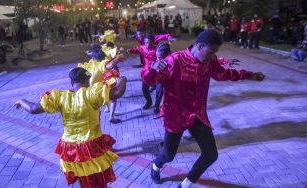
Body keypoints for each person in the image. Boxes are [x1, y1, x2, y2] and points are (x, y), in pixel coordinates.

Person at [141, 29, 265, 187]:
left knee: (211, 154)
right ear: (199, 46)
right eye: (212, 51)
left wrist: (249, 75)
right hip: (176, 116)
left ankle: (185, 184)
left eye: (216, 52)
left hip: (197, 115)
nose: (213, 55)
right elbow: (150, 81)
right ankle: (155, 166)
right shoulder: (175, 60)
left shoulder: (210, 61)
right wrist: (152, 67)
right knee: (168, 155)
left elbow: (223, 74)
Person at [14, 67, 127, 188]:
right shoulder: (91, 93)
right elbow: (117, 92)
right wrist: (123, 79)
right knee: (99, 181)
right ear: (87, 80)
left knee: (83, 179)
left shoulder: (60, 97)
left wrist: (21, 101)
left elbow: (33, 109)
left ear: (72, 82)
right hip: (90, 147)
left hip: (70, 149)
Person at [79, 44, 125, 124]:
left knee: (107, 86)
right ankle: (111, 117)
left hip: (88, 93)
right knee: (114, 96)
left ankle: (106, 109)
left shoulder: (87, 65)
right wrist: (118, 58)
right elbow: (110, 65)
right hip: (97, 92)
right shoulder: (100, 64)